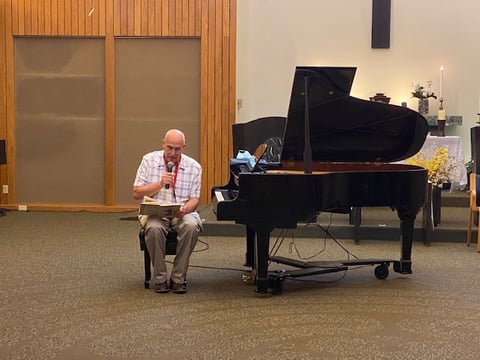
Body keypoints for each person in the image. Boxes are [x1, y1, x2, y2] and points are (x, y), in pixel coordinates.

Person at [132, 129, 202, 294]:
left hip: (181, 210)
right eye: (169, 147)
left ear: (183, 147)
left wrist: (185, 209)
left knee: (191, 226)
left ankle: (178, 278)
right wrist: (160, 184)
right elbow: (136, 193)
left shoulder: (194, 167)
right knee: (154, 228)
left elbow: (195, 199)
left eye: (177, 149)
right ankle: (160, 278)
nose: (172, 153)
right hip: (156, 210)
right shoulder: (149, 160)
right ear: (163, 143)